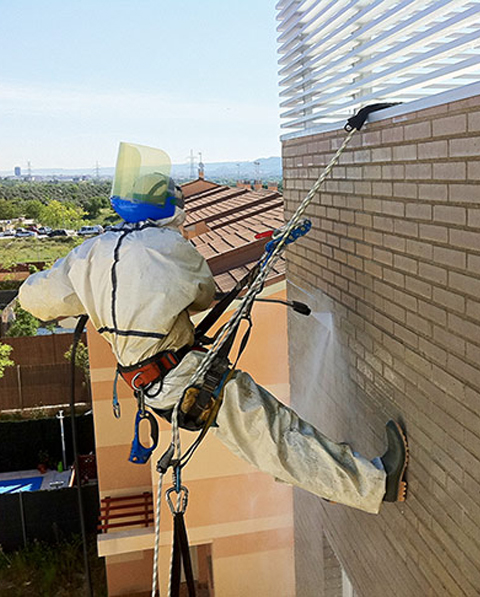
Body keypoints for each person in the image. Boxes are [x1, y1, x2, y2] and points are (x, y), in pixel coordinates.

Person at [18, 142, 408, 514]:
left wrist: (93, 294)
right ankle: (376, 483)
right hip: (181, 378)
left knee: (268, 436)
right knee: (272, 435)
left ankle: (334, 482)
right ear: (170, 206)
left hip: (153, 383)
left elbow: (34, 300)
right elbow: (202, 297)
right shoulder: (168, 247)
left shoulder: (89, 253)